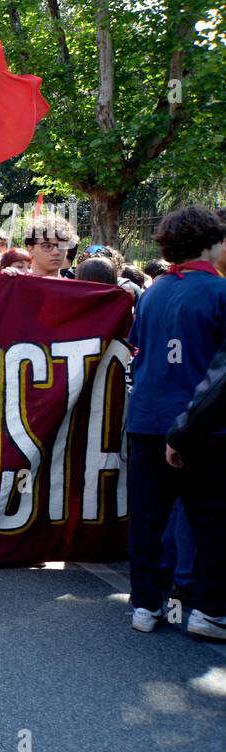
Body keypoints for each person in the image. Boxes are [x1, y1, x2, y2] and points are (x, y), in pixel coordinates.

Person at [125, 205, 226, 640]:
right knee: (212, 523)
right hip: (203, 427)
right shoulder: (219, 292)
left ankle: (146, 605)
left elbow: (141, 351)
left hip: (147, 419)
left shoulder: (152, 292)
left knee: (148, 520)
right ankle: (209, 610)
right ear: (211, 242)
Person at [22, 213, 76, 278]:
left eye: (62, 246)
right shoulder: (14, 284)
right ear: (29, 248)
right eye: (47, 246)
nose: (56, 252)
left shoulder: (73, 287)